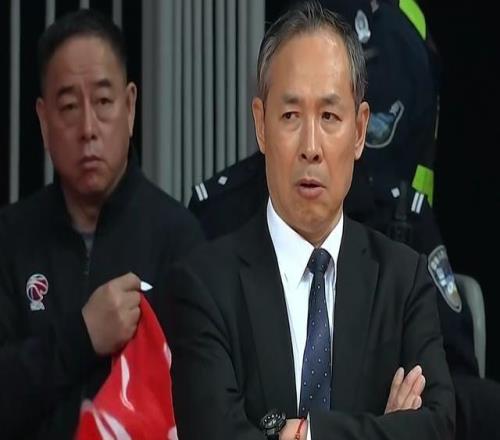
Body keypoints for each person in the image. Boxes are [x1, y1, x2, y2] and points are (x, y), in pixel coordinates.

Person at [164, 2, 454, 438]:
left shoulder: (403, 281)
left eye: (330, 116)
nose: (311, 147)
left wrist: (308, 434)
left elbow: (436, 425)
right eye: (291, 116)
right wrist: (383, 429)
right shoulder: (205, 286)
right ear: (261, 126)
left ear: (360, 131)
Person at [0, 9, 203, 439]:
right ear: (43, 121)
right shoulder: (11, 238)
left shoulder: (179, 238)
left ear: (130, 107)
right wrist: (81, 336)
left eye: (104, 103)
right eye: (69, 107)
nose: (88, 128)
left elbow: (204, 400)